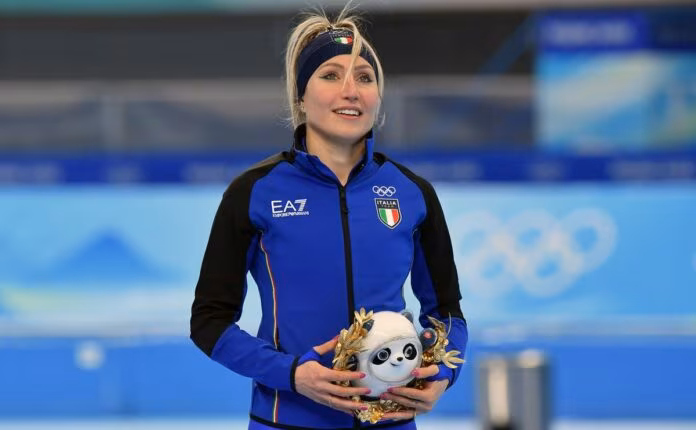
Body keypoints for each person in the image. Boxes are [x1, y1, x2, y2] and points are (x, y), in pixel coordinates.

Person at [190, 7, 468, 430]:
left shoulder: (413, 193)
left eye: (365, 78)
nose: (350, 91)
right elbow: (209, 322)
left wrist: (443, 374)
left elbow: (446, 312)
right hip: (285, 421)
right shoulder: (255, 192)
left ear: (378, 97)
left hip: (390, 422)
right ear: (301, 97)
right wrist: (291, 374)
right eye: (331, 75)